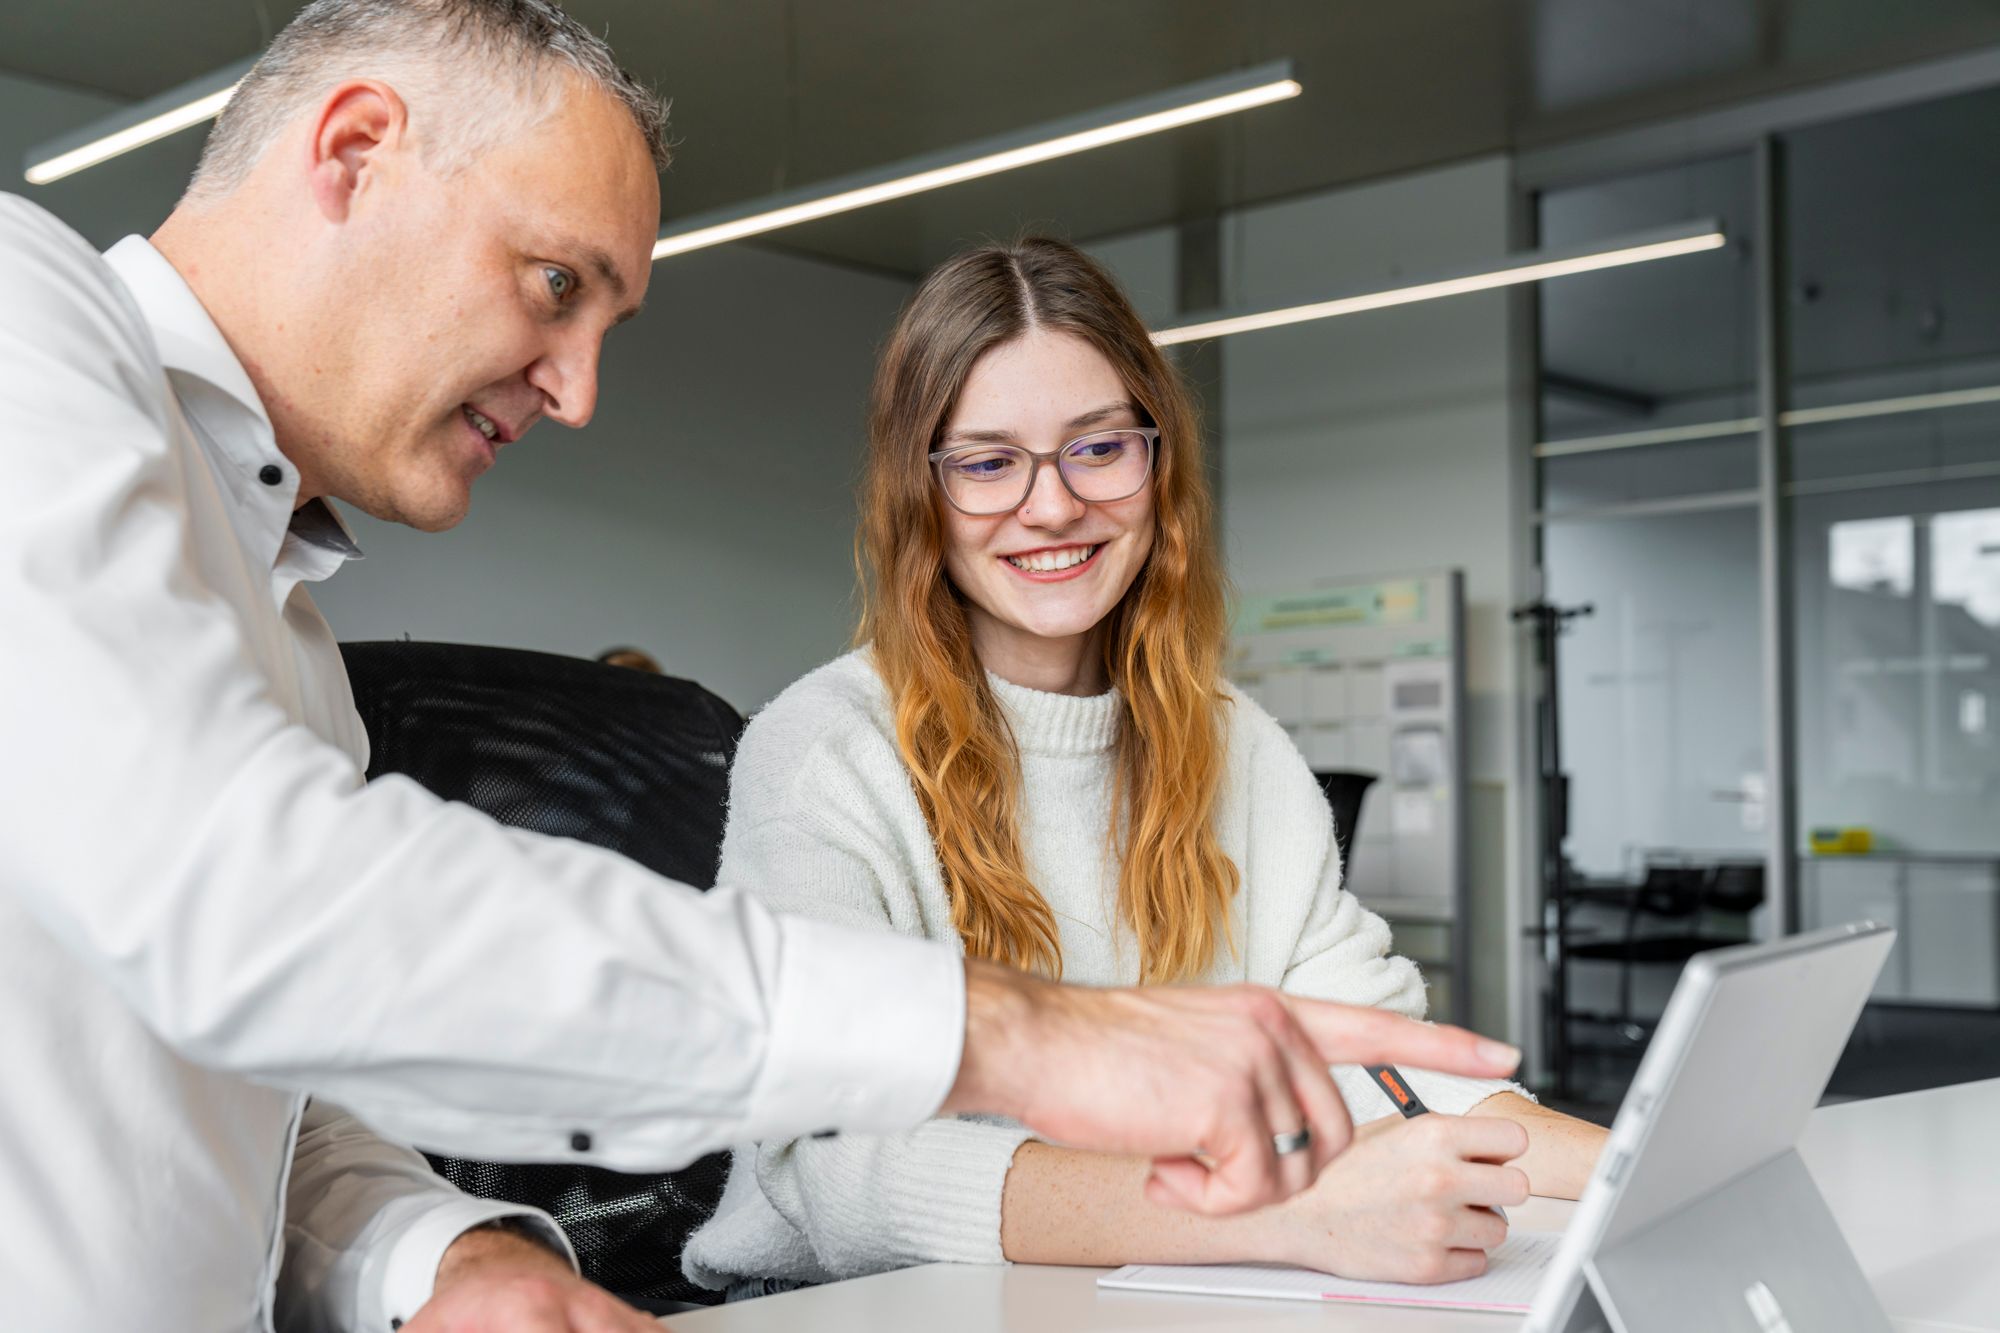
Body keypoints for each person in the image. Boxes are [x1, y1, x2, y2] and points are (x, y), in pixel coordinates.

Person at [0, 5, 1522, 1331]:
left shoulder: (289, 642)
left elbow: (266, 1102)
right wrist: (1022, 1032)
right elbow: (240, 898)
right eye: (555, 284)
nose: (578, 392)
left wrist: (441, 1254)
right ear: (354, 151)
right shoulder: (24, 315)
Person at [683, 238, 1608, 1295]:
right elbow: (845, 1170)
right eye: (986, 463)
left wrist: (1636, 1166)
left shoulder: (1239, 745)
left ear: (1157, 464)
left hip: (1147, 1284)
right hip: (862, 1305)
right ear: (917, 493)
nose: (1051, 506)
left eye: (1098, 447)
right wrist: (1289, 1214)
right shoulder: (823, 752)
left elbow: (1383, 1070)